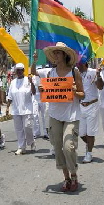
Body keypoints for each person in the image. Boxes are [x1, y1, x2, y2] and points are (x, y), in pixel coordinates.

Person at [41, 42, 85, 192]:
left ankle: (74, 175)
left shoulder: (74, 72)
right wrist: (43, 89)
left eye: (58, 53)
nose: (55, 55)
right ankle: (66, 178)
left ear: (64, 55)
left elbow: (82, 94)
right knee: (58, 148)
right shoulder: (50, 74)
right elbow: (47, 94)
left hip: (71, 115)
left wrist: (74, 91)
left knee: (68, 147)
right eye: (54, 53)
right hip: (54, 114)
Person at [6, 63, 36, 155]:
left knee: (27, 127)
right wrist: (7, 107)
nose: (19, 72)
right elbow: (10, 96)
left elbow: (33, 92)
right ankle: (21, 147)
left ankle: (31, 142)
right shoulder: (13, 82)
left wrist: (31, 83)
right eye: (17, 70)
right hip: (16, 110)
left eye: (20, 70)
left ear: (23, 70)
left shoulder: (28, 80)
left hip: (27, 109)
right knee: (19, 129)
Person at [77, 62, 104, 163]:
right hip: (81, 106)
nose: (77, 65)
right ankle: (89, 145)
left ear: (84, 64)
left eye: (79, 64)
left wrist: (98, 76)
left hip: (92, 105)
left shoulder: (93, 72)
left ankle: (89, 154)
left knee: (90, 133)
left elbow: (100, 87)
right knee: (81, 133)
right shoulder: (77, 74)